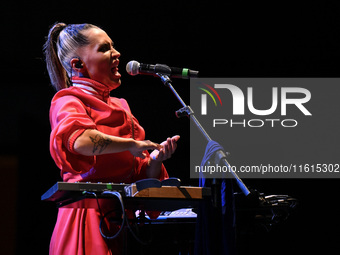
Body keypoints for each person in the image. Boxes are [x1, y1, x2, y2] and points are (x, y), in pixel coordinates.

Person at [44, 22, 180, 255]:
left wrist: (155, 159)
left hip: (120, 221)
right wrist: (134, 144)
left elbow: (138, 172)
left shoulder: (121, 106)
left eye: (113, 47)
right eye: (104, 48)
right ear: (78, 64)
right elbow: (81, 141)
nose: (116, 54)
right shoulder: (68, 100)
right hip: (87, 217)